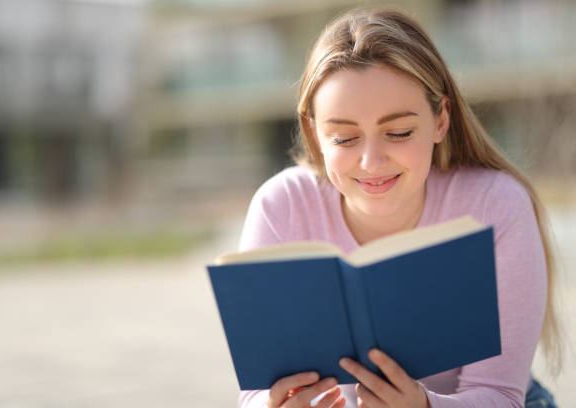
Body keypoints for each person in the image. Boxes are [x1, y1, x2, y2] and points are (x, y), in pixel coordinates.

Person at [236, 7, 563, 408]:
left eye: (399, 132)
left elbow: (499, 394)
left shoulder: (496, 205)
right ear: (313, 131)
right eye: (343, 138)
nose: (372, 162)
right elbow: (253, 394)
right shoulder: (279, 209)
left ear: (441, 119)